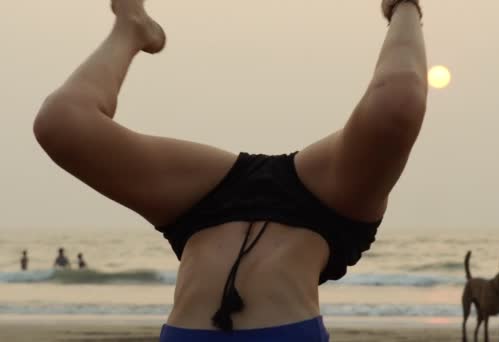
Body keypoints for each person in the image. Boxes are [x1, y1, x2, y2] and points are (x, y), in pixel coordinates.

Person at [33, 0, 427, 340]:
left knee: (59, 123)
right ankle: (403, 6)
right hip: (321, 211)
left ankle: (129, 29)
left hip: (202, 209)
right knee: (398, 103)